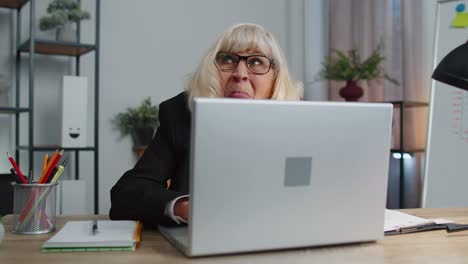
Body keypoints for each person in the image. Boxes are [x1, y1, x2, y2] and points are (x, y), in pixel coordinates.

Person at [109, 23, 303, 227]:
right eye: (227, 59)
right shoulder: (181, 114)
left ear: (276, 76)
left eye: (256, 61)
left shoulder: (304, 120)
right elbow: (126, 194)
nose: (240, 73)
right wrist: (184, 207)